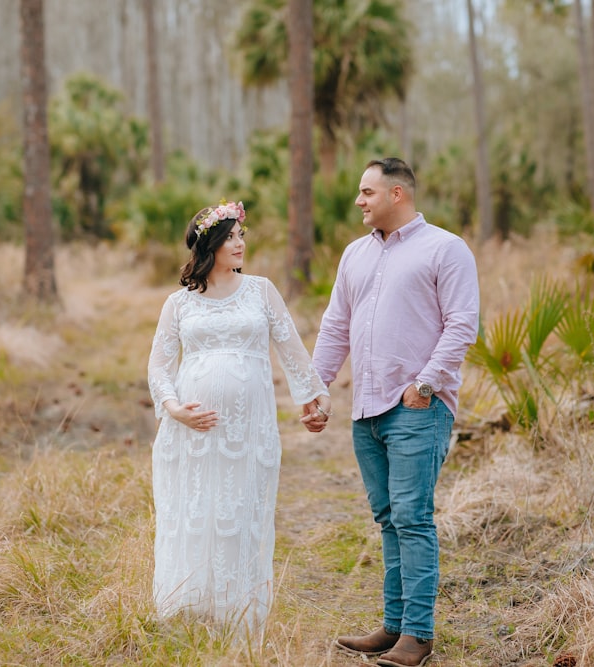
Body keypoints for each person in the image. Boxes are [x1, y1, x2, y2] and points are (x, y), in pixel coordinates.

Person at [313, 158, 480, 666]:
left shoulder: (445, 249)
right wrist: (316, 387)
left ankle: (419, 635)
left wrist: (424, 384)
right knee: (388, 519)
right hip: (366, 410)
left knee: (412, 518)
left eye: (367, 192)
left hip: (416, 407)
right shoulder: (354, 255)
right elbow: (335, 325)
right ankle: (392, 626)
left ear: (398, 194)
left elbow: (461, 325)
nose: (359, 201)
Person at [147, 200, 331, 642]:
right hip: (192, 429)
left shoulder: (261, 291)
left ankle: (239, 612)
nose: (240, 243)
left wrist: (314, 398)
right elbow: (158, 366)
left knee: (240, 509)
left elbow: (291, 349)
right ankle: (189, 605)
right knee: (196, 510)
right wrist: (174, 410)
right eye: (230, 237)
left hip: (249, 429)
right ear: (209, 244)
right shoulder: (179, 304)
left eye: (241, 235)